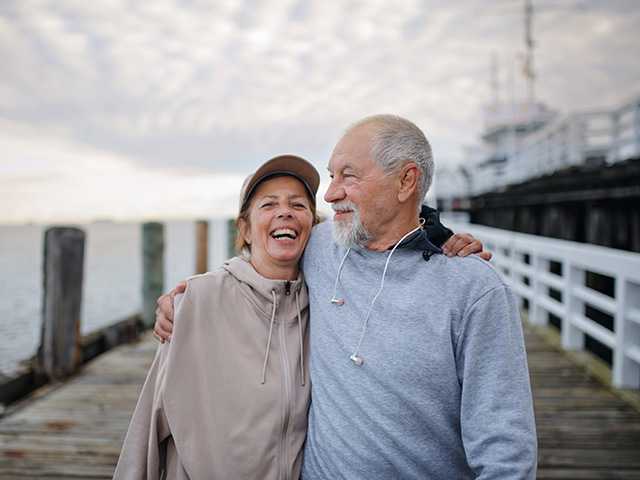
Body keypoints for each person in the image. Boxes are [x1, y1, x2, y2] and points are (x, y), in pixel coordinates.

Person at [155, 115, 536, 479]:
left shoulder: (472, 288)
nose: (331, 193)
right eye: (331, 176)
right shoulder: (320, 246)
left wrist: (438, 236)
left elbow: (506, 451)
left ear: (406, 181)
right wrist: (190, 295)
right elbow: (262, 256)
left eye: (348, 177)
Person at [114, 155, 320, 479]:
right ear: (245, 229)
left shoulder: (325, 305)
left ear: (313, 225)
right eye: (268, 205)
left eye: (298, 204)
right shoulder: (197, 300)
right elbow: (149, 422)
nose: (285, 211)